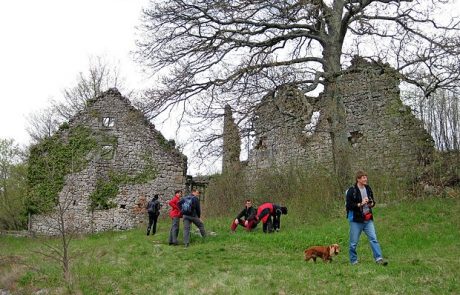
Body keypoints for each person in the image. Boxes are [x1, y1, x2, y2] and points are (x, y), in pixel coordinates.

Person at [346, 170, 388, 266]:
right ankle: (353, 261)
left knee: (373, 239)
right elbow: (349, 206)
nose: (366, 179)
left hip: (368, 219)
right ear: (358, 179)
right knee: (353, 243)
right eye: (363, 177)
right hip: (356, 220)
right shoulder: (352, 191)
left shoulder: (368, 188)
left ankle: (379, 259)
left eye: (366, 177)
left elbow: (372, 200)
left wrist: (372, 203)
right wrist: (361, 204)